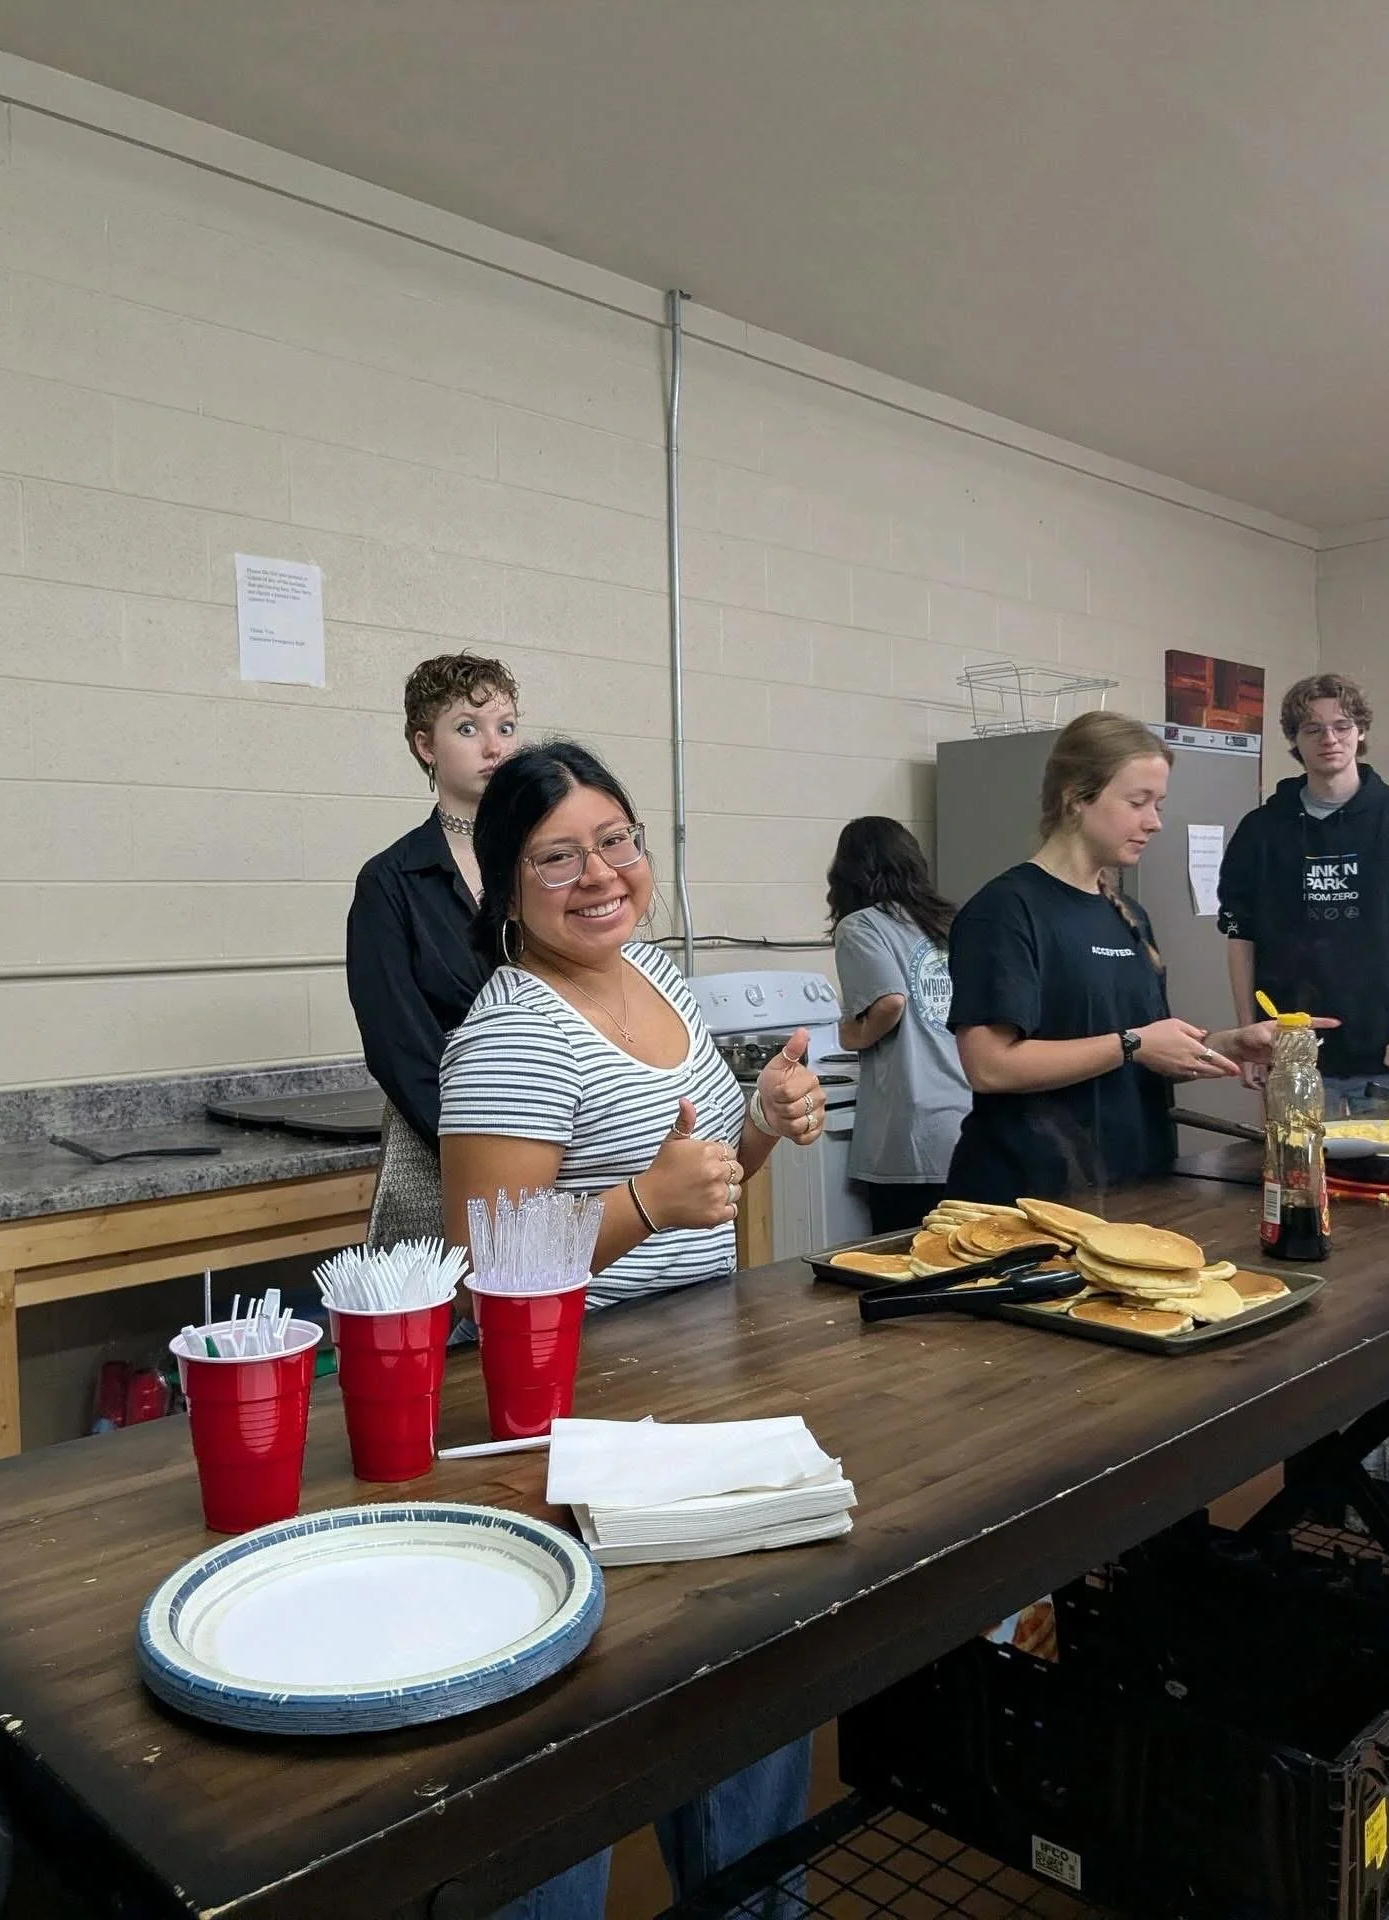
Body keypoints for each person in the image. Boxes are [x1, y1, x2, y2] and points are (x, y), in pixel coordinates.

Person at [438, 740, 825, 1919]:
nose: (599, 872)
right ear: (506, 882)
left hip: (698, 1393)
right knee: (590, 1743)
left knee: (742, 1700)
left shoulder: (654, 976)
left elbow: (698, 1173)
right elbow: (482, 1272)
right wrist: (650, 1200)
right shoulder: (512, 1032)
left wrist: (757, 1121)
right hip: (578, 1429)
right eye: (557, 856)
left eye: (616, 841)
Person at [944, 712, 1304, 1205]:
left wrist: (1229, 1042)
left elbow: (1144, 1050)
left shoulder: (1127, 913)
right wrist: (1132, 1043)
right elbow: (989, 1067)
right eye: (1138, 803)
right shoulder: (1005, 912)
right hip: (1030, 1197)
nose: (1154, 822)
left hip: (1131, 1186)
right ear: (1076, 797)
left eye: (1158, 804)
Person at [345, 652, 520, 1246]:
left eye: (505, 726)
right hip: (438, 1143)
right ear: (426, 745)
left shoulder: (549, 865)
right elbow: (398, 1047)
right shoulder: (390, 881)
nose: (493, 746)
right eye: (467, 728)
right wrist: (477, 1147)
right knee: (451, 1328)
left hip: (559, 1133)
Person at [1218, 671, 1389, 1104]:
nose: (1329, 739)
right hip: (1291, 1058)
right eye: (1313, 729)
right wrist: (1246, 1037)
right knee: (1294, 1172)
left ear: (1361, 731)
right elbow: (1240, 935)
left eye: (1342, 726)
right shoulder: (1260, 830)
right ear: (1294, 740)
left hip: (1385, 1057)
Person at [826, 816, 971, 1232]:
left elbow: (890, 1002)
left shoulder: (861, 925)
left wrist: (851, 1034)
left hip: (913, 1128)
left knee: (904, 1268)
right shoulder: (947, 921)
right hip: (969, 1116)